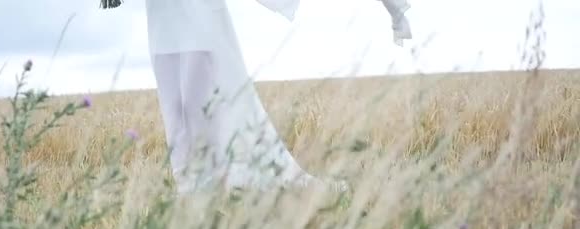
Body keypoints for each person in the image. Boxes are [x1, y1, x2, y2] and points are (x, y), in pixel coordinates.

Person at [102, 0, 412, 194]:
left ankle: (207, 180)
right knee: (174, 100)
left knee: (199, 98)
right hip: (162, 11)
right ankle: (189, 182)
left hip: (197, 11)